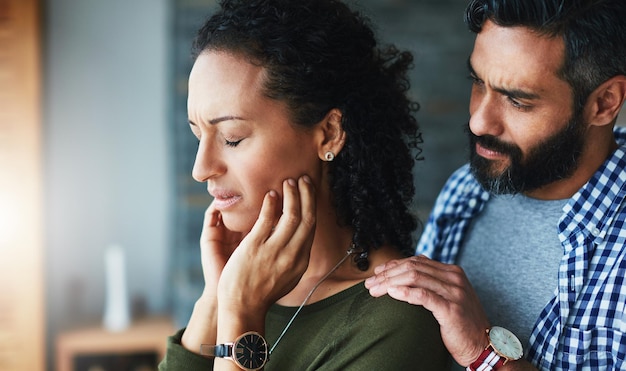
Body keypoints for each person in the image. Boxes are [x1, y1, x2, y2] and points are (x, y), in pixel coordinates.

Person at [158, 0, 450, 370]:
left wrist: (241, 315)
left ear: (328, 134)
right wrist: (215, 300)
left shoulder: (393, 323)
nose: (201, 169)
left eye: (232, 138)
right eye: (198, 134)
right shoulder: (243, 286)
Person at [366, 0, 626, 370]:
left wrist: (484, 355)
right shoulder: (465, 190)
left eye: (518, 101)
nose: (479, 122)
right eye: (477, 82)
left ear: (604, 102)